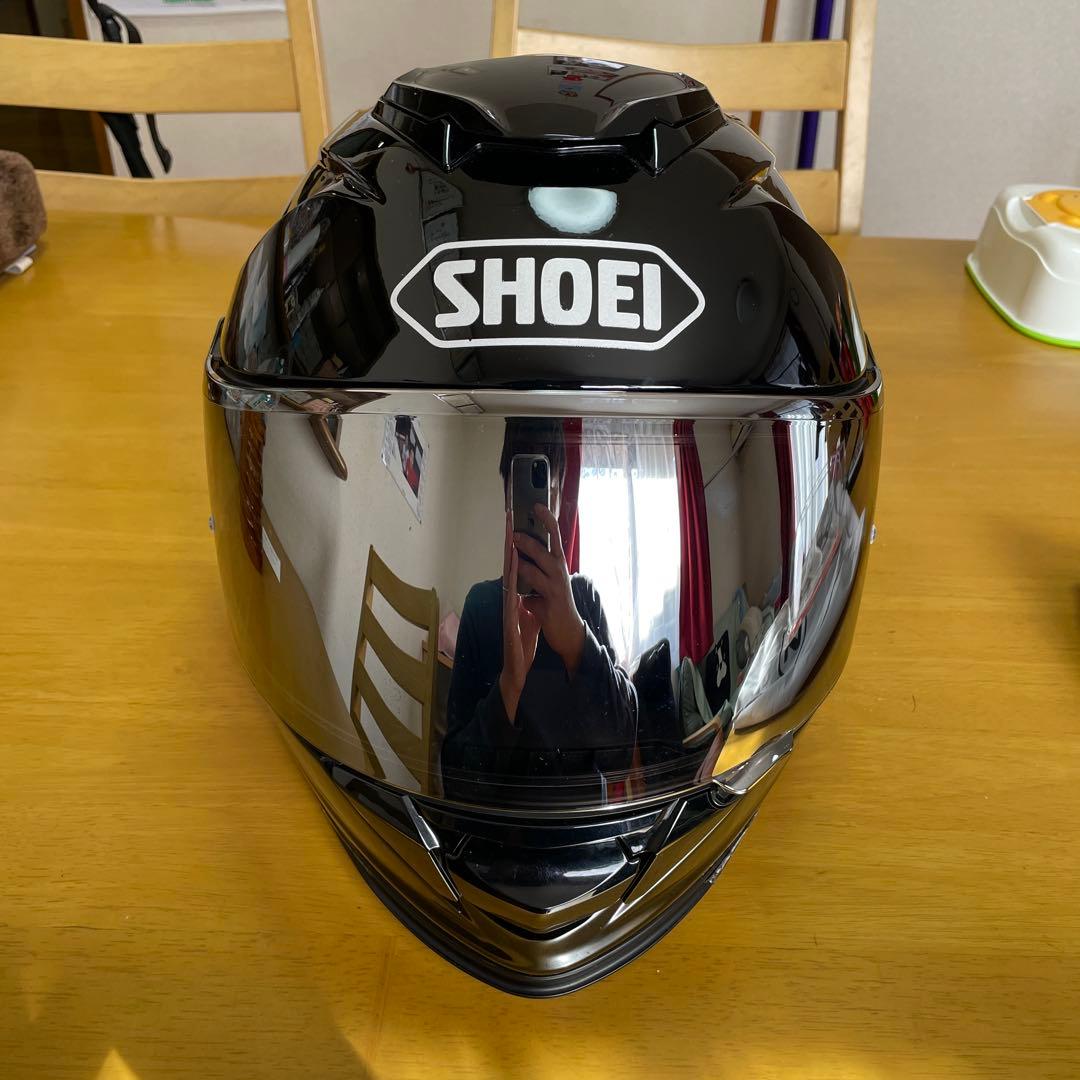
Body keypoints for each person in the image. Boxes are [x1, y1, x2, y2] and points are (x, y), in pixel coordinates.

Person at [442, 419, 638, 807]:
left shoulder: (584, 597)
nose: (538, 504)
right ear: (507, 497)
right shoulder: (481, 605)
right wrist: (509, 684)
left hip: (582, 826)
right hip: (501, 828)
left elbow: (620, 752)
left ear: (561, 496)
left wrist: (577, 642)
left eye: (550, 485)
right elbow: (456, 783)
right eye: (523, 487)